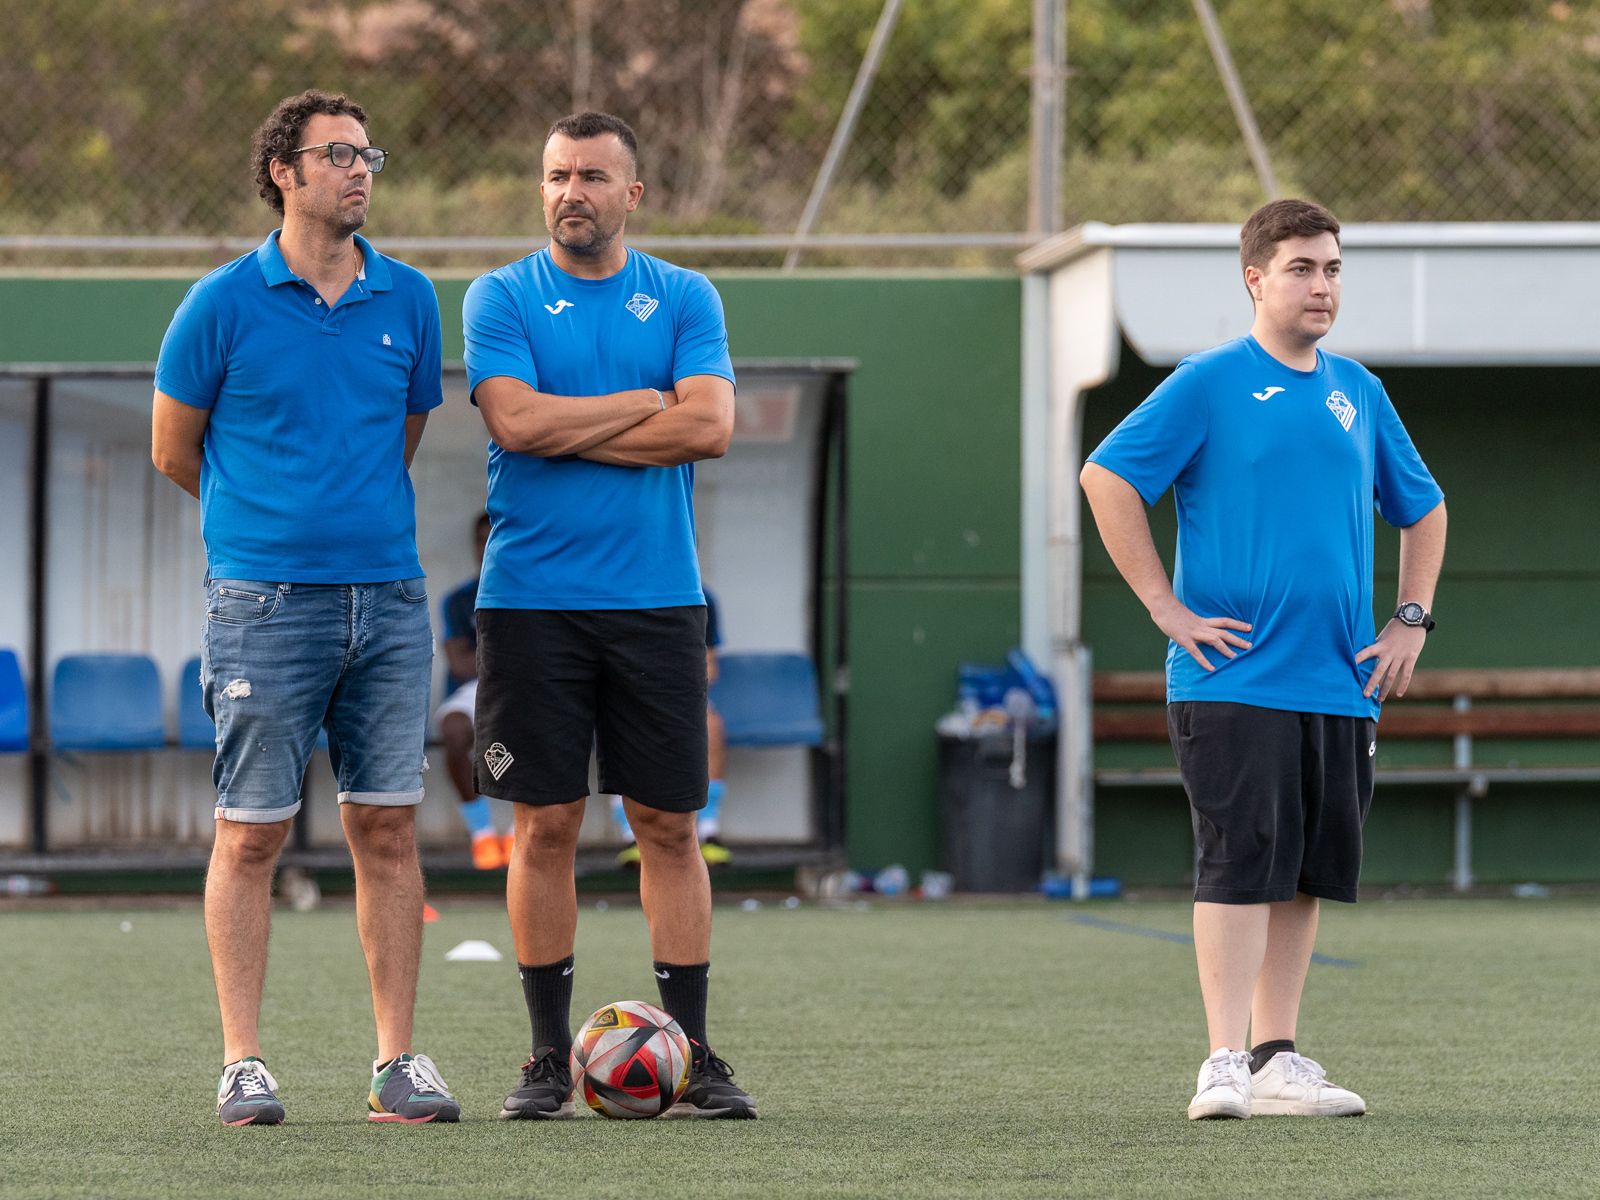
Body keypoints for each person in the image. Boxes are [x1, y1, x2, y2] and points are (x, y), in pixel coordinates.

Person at [1079, 199, 1446, 1121]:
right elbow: (1108, 477)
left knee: (1309, 872)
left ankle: (1281, 1057)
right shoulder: (1209, 382)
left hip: (1340, 682)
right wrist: (1166, 608)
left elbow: (1425, 508)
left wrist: (1409, 620)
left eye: (1331, 269)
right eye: (1301, 269)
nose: (1321, 286)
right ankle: (1222, 1063)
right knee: (1240, 863)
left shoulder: (1357, 390)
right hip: (1232, 677)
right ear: (1254, 277)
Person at [151, 89, 459, 1126]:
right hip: (262, 605)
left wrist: (350, 533)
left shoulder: (410, 299)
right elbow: (173, 449)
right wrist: (268, 526)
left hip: (389, 600)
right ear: (282, 170)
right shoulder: (220, 304)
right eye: (337, 154)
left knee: (387, 829)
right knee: (249, 837)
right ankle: (243, 1062)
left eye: (368, 153)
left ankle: (396, 1066)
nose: (360, 170)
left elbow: (404, 433)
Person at [464, 111, 755, 1120]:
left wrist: (570, 424)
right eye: (554, 175)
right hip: (532, 605)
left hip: (657, 602)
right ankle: (548, 1060)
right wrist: (645, 401)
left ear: (633, 192)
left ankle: (700, 1054)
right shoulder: (500, 295)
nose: (569, 192)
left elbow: (710, 426)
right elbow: (513, 421)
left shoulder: (683, 294)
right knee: (543, 824)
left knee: (667, 824)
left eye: (591, 175)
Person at [613, 585, 731, 867]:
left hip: (675, 693)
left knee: (711, 725)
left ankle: (708, 832)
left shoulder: (701, 597)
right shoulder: (617, 590)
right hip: (622, 693)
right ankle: (630, 836)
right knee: (618, 722)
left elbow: (709, 666)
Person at [434, 510, 511, 870]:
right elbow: (460, 665)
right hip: (477, 688)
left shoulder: (528, 591)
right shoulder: (459, 599)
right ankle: (482, 834)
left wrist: (480, 651)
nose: (487, 546)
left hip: (528, 684)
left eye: (494, 537)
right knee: (453, 728)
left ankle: (517, 831)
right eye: (481, 539)